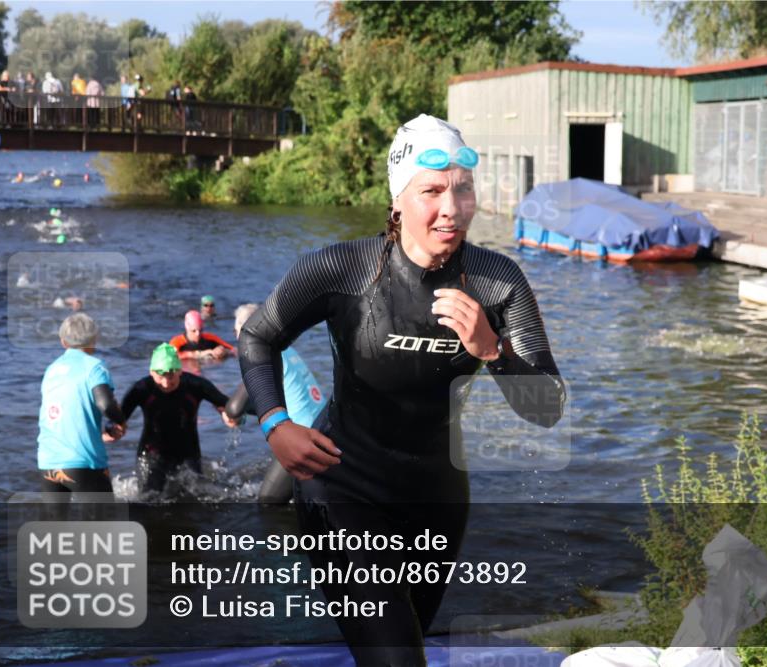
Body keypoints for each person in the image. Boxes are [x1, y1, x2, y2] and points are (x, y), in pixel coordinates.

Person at [238, 114, 565, 664]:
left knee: (398, 649)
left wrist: (494, 351)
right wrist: (275, 423)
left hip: (436, 499)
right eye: (432, 191)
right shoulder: (342, 268)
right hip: (342, 485)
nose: (451, 208)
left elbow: (548, 408)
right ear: (397, 201)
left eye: (463, 190)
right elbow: (257, 337)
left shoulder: (498, 282)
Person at [226, 303, 327, 503]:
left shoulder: (257, 353)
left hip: (304, 436)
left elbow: (234, 408)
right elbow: (274, 403)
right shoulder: (285, 348)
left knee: (267, 503)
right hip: (324, 426)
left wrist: (233, 415)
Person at [120, 343, 237, 495]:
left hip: (188, 451)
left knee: (196, 498)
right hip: (151, 452)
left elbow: (227, 405)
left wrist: (227, 415)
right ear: (151, 372)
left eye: (171, 377)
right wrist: (115, 429)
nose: (166, 383)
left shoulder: (196, 385)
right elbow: (119, 418)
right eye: (160, 377)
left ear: (180, 370)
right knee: (149, 498)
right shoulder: (140, 389)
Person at [37, 313, 126, 500]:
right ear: (94, 339)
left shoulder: (51, 370)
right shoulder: (95, 367)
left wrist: (98, 435)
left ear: (63, 341)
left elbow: (62, 416)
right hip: (84, 463)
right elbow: (106, 405)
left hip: (49, 461)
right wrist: (120, 421)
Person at [170, 310, 234, 361]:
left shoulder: (210, 338)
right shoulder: (177, 342)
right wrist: (199, 354)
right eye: (194, 331)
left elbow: (234, 350)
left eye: (200, 330)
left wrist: (224, 351)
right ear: (187, 328)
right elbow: (170, 357)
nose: (198, 334)